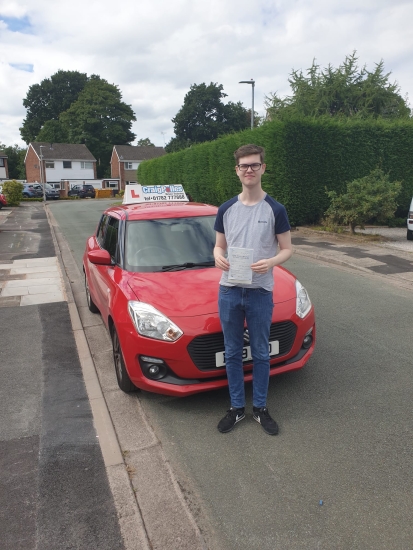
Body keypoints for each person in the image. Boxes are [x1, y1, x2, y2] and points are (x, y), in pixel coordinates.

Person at [213, 144, 293, 435]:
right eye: (244, 165)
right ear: (237, 170)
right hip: (230, 290)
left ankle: (259, 408)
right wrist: (216, 255)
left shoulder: (275, 209)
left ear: (263, 168)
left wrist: (271, 261)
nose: (249, 169)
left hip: (260, 291)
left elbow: (287, 249)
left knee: (260, 352)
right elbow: (219, 244)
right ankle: (236, 408)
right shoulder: (226, 209)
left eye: (254, 165)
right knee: (233, 352)